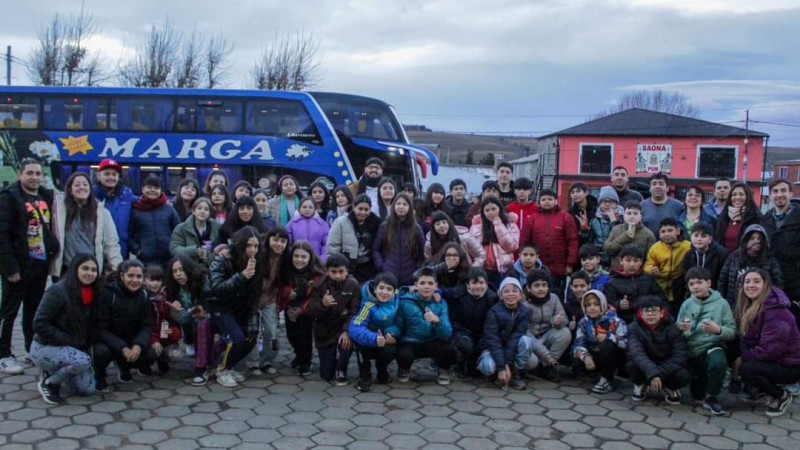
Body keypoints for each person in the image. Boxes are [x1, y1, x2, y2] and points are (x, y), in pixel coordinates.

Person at [0, 158, 59, 374]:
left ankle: (29, 349)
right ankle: (4, 354)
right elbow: (2, 235)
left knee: (33, 310)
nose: (34, 177)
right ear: (20, 174)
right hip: (18, 265)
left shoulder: (44, 195)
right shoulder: (9, 197)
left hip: (40, 264)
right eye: (29, 173)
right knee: (9, 311)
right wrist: (9, 267)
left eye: (37, 173)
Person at [30, 254, 102, 404]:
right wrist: (71, 341)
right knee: (82, 361)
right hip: (46, 346)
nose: (90, 273)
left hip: (74, 348)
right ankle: (50, 382)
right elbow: (39, 323)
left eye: (94, 270)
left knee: (87, 389)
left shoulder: (94, 292)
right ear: (75, 269)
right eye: (85, 268)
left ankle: (59, 370)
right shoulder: (58, 290)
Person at [735, 268, 800, 417]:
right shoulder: (751, 305)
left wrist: (742, 358)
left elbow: (770, 350)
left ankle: (780, 395)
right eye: (747, 281)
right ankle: (759, 390)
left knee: (746, 369)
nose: (751, 285)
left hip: (790, 365)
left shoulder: (776, 311)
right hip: (773, 359)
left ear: (766, 285)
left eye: (756, 281)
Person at [204, 226, 262, 387]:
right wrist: (242, 276)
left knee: (251, 337)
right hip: (218, 304)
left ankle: (228, 366)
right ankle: (221, 370)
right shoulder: (223, 259)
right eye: (249, 245)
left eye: (256, 246)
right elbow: (217, 288)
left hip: (240, 305)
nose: (252, 250)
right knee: (237, 338)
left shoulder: (257, 262)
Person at [677, 267, 737, 416]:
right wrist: (682, 328)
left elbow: (732, 331)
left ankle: (712, 397)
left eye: (699, 282)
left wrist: (718, 330)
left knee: (718, 362)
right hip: (691, 348)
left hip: (712, 345)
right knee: (696, 395)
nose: (695, 286)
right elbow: (678, 326)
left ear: (708, 283)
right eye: (691, 284)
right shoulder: (687, 304)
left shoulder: (721, 304)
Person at [386, 268, 457, 385]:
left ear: (436, 286)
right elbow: (397, 325)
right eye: (422, 283)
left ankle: (444, 369)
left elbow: (447, 332)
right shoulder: (405, 302)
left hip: (432, 341)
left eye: (430, 283)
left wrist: (437, 321)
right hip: (411, 341)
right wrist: (391, 333)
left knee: (448, 347)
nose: (426, 286)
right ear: (415, 285)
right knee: (403, 352)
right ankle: (404, 368)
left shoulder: (441, 303)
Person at [93, 260, 152, 391]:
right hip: (109, 340)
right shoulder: (108, 294)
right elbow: (101, 329)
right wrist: (123, 348)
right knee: (100, 352)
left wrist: (138, 345)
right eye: (130, 276)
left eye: (139, 276)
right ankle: (99, 375)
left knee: (151, 352)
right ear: (121, 276)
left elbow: (147, 325)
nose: (135, 280)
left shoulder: (144, 295)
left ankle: (125, 366)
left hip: (131, 338)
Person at [50, 172, 122, 279]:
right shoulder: (58, 210)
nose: (81, 187)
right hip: (65, 269)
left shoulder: (102, 212)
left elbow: (111, 242)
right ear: (70, 190)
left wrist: (118, 268)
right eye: (77, 185)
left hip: (91, 270)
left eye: (85, 184)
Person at [308, 253, 361, 385]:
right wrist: (323, 304)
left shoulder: (353, 285)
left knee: (346, 343)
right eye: (333, 272)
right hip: (324, 330)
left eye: (341, 271)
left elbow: (355, 312)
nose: (337, 275)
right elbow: (311, 311)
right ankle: (331, 363)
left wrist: (347, 331)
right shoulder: (319, 285)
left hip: (343, 326)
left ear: (347, 271)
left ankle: (342, 368)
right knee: (326, 374)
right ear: (327, 271)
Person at [626, 295, 690, 404]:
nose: (650, 314)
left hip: (666, 364)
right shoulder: (633, 328)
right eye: (646, 311)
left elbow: (680, 356)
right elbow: (637, 352)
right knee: (632, 364)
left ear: (661, 313)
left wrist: (657, 375)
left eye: (654, 310)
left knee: (682, 374)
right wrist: (652, 373)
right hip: (646, 364)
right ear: (641, 313)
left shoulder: (673, 329)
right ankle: (640, 385)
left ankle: (670, 388)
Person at [277, 241, 326, 377]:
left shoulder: (317, 274)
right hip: (290, 306)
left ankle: (305, 362)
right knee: (291, 335)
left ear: (310, 257)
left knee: (304, 336)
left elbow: (316, 297)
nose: (299, 260)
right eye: (296, 256)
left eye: (303, 257)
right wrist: (287, 293)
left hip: (306, 308)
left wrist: (303, 310)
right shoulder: (286, 270)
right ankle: (298, 355)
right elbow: (279, 287)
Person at [164, 255, 215, 386]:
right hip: (188, 316)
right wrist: (177, 310)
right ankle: (191, 344)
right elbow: (179, 314)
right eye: (174, 271)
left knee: (201, 322)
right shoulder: (173, 287)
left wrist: (202, 310)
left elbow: (208, 303)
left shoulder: (201, 279)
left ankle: (202, 365)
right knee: (181, 315)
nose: (178, 274)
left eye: (181, 270)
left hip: (208, 315)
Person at [477, 277, 534, 390]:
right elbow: (493, 340)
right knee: (488, 367)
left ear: (521, 295)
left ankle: (514, 373)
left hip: (513, 348)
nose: (511, 294)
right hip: (493, 349)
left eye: (514, 291)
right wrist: (501, 367)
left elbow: (515, 338)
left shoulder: (525, 312)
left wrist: (507, 364)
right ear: (500, 295)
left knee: (527, 342)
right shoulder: (493, 312)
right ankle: (497, 375)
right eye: (506, 291)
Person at [520, 189, 578, 298]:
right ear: (539, 202)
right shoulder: (532, 219)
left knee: (557, 295)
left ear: (556, 201)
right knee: (536, 294)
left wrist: (570, 264)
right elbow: (524, 241)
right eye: (543, 199)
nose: (547, 202)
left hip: (559, 268)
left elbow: (573, 241)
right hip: (537, 267)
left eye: (550, 199)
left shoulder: (566, 217)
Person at [440, 267, 498, 377]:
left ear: (486, 283)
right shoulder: (458, 293)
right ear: (467, 284)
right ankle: (459, 365)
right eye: (474, 283)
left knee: (475, 371)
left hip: (483, 334)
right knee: (465, 345)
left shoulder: (492, 298)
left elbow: (493, 325)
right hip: (462, 331)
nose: (478, 286)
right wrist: (437, 292)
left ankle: (474, 364)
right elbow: (442, 292)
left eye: (481, 283)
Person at [248, 227, 290, 376]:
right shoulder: (260, 255)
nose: (279, 244)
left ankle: (267, 361)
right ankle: (253, 363)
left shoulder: (285, 259)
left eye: (283, 241)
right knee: (253, 331)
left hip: (270, 299)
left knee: (272, 332)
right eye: (275, 240)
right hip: (253, 299)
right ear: (268, 240)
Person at [349, 272, 400, 392]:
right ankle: (365, 374)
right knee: (362, 346)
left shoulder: (397, 302)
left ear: (394, 292)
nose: (384, 292)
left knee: (392, 349)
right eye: (381, 288)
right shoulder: (368, 305)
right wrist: (374, 338)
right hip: (369, 339)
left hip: (384, 340)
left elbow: (398, 323)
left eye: (389, 289)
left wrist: (391, 333)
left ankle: (381, 369)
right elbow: (355, 327)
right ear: (375, 289)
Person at [760, 178, 800, 326]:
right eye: (775, 191)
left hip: (795, 282)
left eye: (783, 190)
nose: (779, 194)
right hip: (772, 281)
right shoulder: (765, 220)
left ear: (790, 194)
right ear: (770, 195)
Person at [572, 290, 628, 394]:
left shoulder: (616, 321)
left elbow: (626, 343)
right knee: (577, 361)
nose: (592, 308)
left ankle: (608, 379)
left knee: (607, 345)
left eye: (596, 304)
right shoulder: (583, 322)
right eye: (588, 305)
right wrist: (585, 356)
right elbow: (578, 342)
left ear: (603, 304)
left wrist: (608, 336)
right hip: (596, 354)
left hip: (615, 357)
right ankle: (596, 374)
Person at [522, 270, 570, 382]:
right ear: (529, 288)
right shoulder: (524, 304)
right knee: (531, 362)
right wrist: (546, 355)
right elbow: (525, 331)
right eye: (537, 285)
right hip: (530, 340)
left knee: (565, 332)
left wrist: (558, 322)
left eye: (544, 285)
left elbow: (565, 319)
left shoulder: (554, 298)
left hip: (546, 337)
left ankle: (547, 367)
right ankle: (538, 365)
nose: (541, 288)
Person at [718, 224, 783, 306]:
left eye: (759, 239)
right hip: (735, 305)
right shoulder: (734, 257)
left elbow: (777, 285)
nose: (756, 241)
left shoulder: (770, 259)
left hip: (761, 306)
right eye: (752, 238)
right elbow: (722, 281)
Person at [372, 194, 425, 287]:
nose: (401, 207)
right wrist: (381, 266)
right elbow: (376, 249)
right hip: (388, 276)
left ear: (410, 207)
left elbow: (422, 252)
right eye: (398, 203)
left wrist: (418, 268)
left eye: (405, 204)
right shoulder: (384, 226)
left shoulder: (416, 228)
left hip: (410, 277)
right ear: (393, 206)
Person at [327, 194, 382, 283]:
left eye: (366, 210)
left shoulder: (377, 223)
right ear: (353, 207)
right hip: (347, 267)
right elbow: (333, 246)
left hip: (369, 269)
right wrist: (336, 266)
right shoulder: (341, 222)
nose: (363, 212)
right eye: (360, 209)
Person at [606, 244, 665, 323]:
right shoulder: (613, 282)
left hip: (648, 319)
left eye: (636, 260)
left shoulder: (648, 279)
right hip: (624, 321)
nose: (632, 264)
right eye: (628, 260)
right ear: (621, 261)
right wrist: (619, 305)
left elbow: (661, 299)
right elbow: (608, 305)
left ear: (641, 262)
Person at [129, 175, 181, 266]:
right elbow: (129, 234)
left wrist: (174, 249)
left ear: (161, 190)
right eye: (149, 187)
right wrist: (137, 250)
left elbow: (179, 231)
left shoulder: (169, 208)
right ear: (143, 189)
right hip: (144, 261)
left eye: (156, 188)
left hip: (168, 260)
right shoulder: (135, 210)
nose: (152, 190)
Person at [470, 196, 520, 288]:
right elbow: (473, 250)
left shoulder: (511, 225)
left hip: (503, 270)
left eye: (493, 209)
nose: (491, 213)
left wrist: (499, 226)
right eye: (487, 210)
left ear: (500, 209)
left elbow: (511, 247)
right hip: (483, 269)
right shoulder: (476, 227)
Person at [141, 265, 180, 376]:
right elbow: (141, 325)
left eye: (158, 280)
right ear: (144, 280)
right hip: (147, 336)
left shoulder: (167, 297)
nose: (155, 283)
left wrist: (173, 332)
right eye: (151, 280)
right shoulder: (141, 297)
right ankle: (143, 365)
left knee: (174, 354)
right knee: (152, 352)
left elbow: (175, 322)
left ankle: (162, 360)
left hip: (163, 335)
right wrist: (153, 340)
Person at [644, 218, 692, 311]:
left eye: (670, 230)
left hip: (680, 287)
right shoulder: (656, 248)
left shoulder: (687, 246)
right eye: (663, 231)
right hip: (660, 287)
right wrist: (652, 270)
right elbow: (648, 265)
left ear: (678, 231)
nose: (666, 234)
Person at [93, 158, 135, 258]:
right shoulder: (90, 197)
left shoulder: (128, 196)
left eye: (114, 174)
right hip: (95, 253)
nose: (111, 177)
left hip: (121, 253)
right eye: (107, 174)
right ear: (98, 176)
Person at [604, 201, 656, 270]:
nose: (632, 216)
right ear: (624, 216)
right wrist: (624, 238)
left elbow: (650, 260)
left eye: (635, 213)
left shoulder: (648, 235)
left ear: (641, 217)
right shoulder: (616, 229)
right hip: (616, 273)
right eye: (628, 213)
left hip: (639, 275)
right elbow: (607, 251)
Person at [169, 197, 221, 267]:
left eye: (206, 209)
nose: (202, 211)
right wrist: (195, 250)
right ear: (193, 211)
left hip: (211, 267)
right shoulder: (181, 228)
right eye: (199, 208)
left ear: (209, 213)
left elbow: (220, 248)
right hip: (188, 268)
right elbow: (175, 249)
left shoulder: (217, 227)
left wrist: (208, 257)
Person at [715, 182, 761, 254]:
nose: (737, 197)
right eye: (734, 195)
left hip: (745, 260)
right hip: (725, 261)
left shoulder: (756, 218)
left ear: (747, 196)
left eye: (741, 194)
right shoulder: (723, 217)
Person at [683, 222, 728, 289]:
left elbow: (723, 279)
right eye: (696, 235)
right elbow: (687, 278)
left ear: (710, 239)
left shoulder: (722, 254)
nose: (699, 239)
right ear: (690, 237)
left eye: (703, 236)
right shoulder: (688, 255)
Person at [590, 186, 624, 266]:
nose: (607, 204)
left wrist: (615, 223)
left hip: (617, 258)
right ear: (600, 203)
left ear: (616, 203)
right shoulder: (594, 219)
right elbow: (590, 241)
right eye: (604, 201)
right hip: (598, 260)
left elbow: (622, 239)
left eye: (611, 201)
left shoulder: (623, 217)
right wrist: (584, 231)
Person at [568, 182, 598, 247]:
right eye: (572, 192)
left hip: (596, 246)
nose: (575, 194)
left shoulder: (597, 208)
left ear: (586, 193)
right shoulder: (570, 213)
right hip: (580, 247)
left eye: (578, 191)